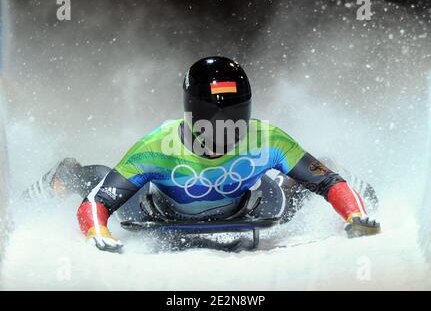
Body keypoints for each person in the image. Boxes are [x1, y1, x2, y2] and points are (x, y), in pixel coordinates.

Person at [23, 57, 381, 252]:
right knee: (95, 175)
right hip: (160, 210)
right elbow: (96, 202)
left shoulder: (267, 138)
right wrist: (95, 231)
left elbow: (327, 181)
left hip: (246, 205)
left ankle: (361, 198)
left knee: (308, 178)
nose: (224, 128)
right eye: (211, 118)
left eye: (235, 116)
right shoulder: (158, 146)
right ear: (191, 112)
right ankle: (62, 172)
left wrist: (355, 215)